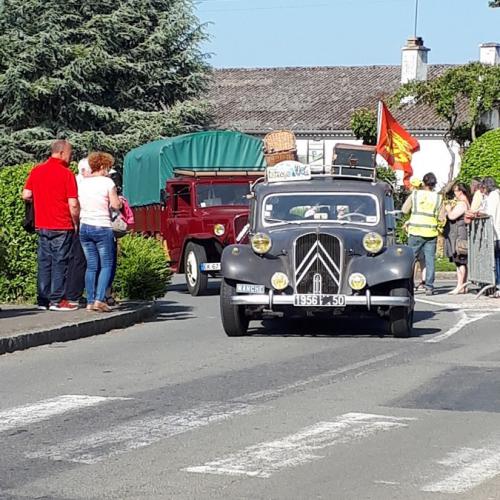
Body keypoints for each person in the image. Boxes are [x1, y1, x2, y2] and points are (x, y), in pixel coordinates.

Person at [22, 140, 79, 311]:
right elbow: (73, 204)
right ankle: (57, 300)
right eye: (69, 153)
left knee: (44, 262)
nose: (71, 157)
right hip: (62, 224)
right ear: (61, 153)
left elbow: (26, 195)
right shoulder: (66, 174)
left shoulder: (37, 171)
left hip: (42, 223)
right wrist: (76, 222)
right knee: (60, 262)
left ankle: (43, 300)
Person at [78, 152, 122, 312]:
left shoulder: (82, 183)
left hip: (85, 226)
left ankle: (90, 301)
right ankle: (99, 299)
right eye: (107, 168)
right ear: (102, 166)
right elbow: (115, 205)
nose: (108, 171)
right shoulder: (107, 182)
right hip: (102, 226)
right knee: (106, 265)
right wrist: (119, 201)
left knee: (91, 265)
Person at [402, 172, 442, 296]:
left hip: (415, 231)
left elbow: (404, 210)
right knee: (430, 260)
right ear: (434, 184)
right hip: (431, 232)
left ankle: (409, 285)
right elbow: (441, 217)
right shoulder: (438, 198)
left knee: (411, 260)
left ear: (423, 183)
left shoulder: (415, 195)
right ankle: (429, 287)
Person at [65, 158, 91, 307]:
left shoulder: (78, 181)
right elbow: (74, 204)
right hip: (79, 222)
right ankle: (74, 294)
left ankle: (72, 293)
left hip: (75, 223)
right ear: (83, 171)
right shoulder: (80, 183)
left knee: (74, 259)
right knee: (79, 259)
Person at [443, 182, 471, 295]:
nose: (454, 193)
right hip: (459, 233)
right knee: (460, 260)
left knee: (460, 260)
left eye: (455, 191)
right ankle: (463, 286)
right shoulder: (465, 202)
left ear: (461, 192)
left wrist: (449, 209)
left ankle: (460, 286)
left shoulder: (462, 204)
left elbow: (452, 216)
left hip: (459, 234)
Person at [481, 177, 500, 297]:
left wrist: (478, 213)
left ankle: (498, 285)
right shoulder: (496, 194)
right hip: (496, 232)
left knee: (497, 260)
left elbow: (489, 213)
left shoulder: (493, 196)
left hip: (495, 233)